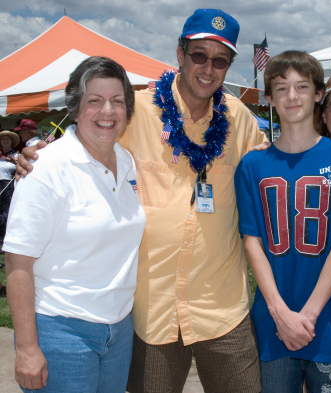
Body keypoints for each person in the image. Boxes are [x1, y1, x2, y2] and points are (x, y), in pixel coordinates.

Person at [17, 9, 266, 393]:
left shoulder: (241, 120)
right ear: (180, 54)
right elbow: (89, 133)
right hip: (152, 314)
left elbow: (280, 169)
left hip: (222, 308)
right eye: (199, 55)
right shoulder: (136, 111)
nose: (208, 68)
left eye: (220, 61)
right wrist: (36, 154)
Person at [234, 50, 331, 392]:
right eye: (281, 88)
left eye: (302, 86)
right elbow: (252, 242)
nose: (292, 96)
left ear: (317, 95)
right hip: (274, 321)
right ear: (269, 97)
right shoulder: (252, 166)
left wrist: (308, 315)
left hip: (327, 320)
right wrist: (280, 313)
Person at [5, 57, 146, 392]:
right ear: (75, 107)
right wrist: (27, 348)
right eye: (94, 101)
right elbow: (17, 262)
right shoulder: (48, 168)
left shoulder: (129, 163)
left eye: (117, 101)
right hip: (61, 331)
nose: (107, 111)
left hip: (119, 330)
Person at [0, 130, 20, 245]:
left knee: (6, 212)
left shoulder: (17, 155)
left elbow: (22, 169)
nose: (5, 141)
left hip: (8, 186)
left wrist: (14, 162)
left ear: (11, 141)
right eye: (3, 139)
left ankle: (4, 238)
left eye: (8, 139)